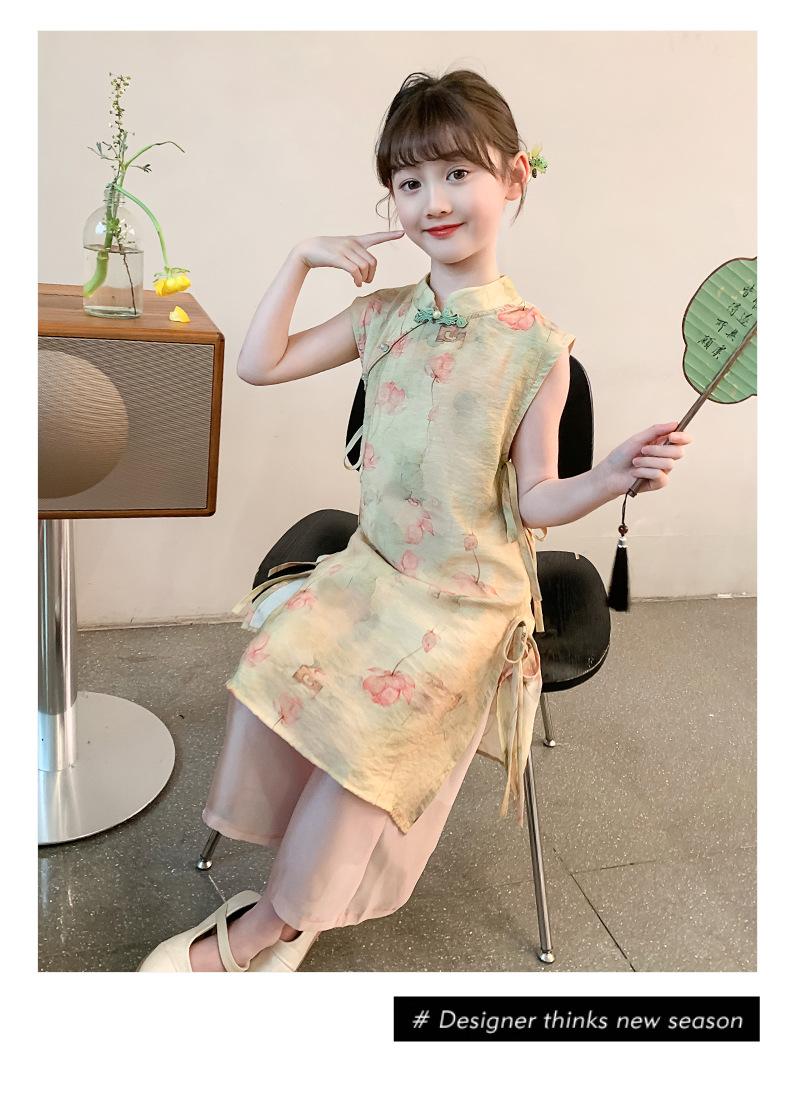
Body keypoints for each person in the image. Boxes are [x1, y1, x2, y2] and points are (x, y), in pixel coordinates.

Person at [138, 68, 693, 973]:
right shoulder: (380, 316)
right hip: (376, 565)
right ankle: (296, 872)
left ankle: (273, 923)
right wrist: (301, 258)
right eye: (409, 181)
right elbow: (259, 364)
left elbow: (537, 500)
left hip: (468, 598)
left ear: (514, 178)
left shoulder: (537, 348)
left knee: (373, 727)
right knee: (279, 652)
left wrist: (609, 477)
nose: (432, 201)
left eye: (457, 174)